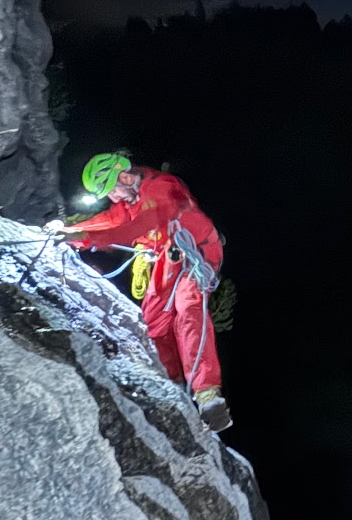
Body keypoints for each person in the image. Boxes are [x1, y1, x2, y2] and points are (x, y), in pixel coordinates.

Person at [48, 152, 232, 431]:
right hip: (166, 257)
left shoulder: (163, 188)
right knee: (154, 324)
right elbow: (111, 220)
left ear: (124, 177)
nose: (113, 198)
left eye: (112, 191)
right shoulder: (130, 198)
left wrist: (82, 237)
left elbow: (136, 226)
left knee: (188, 308)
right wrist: (70, 230)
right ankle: (172, 385)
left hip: (197, 253)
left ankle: (209, 398)